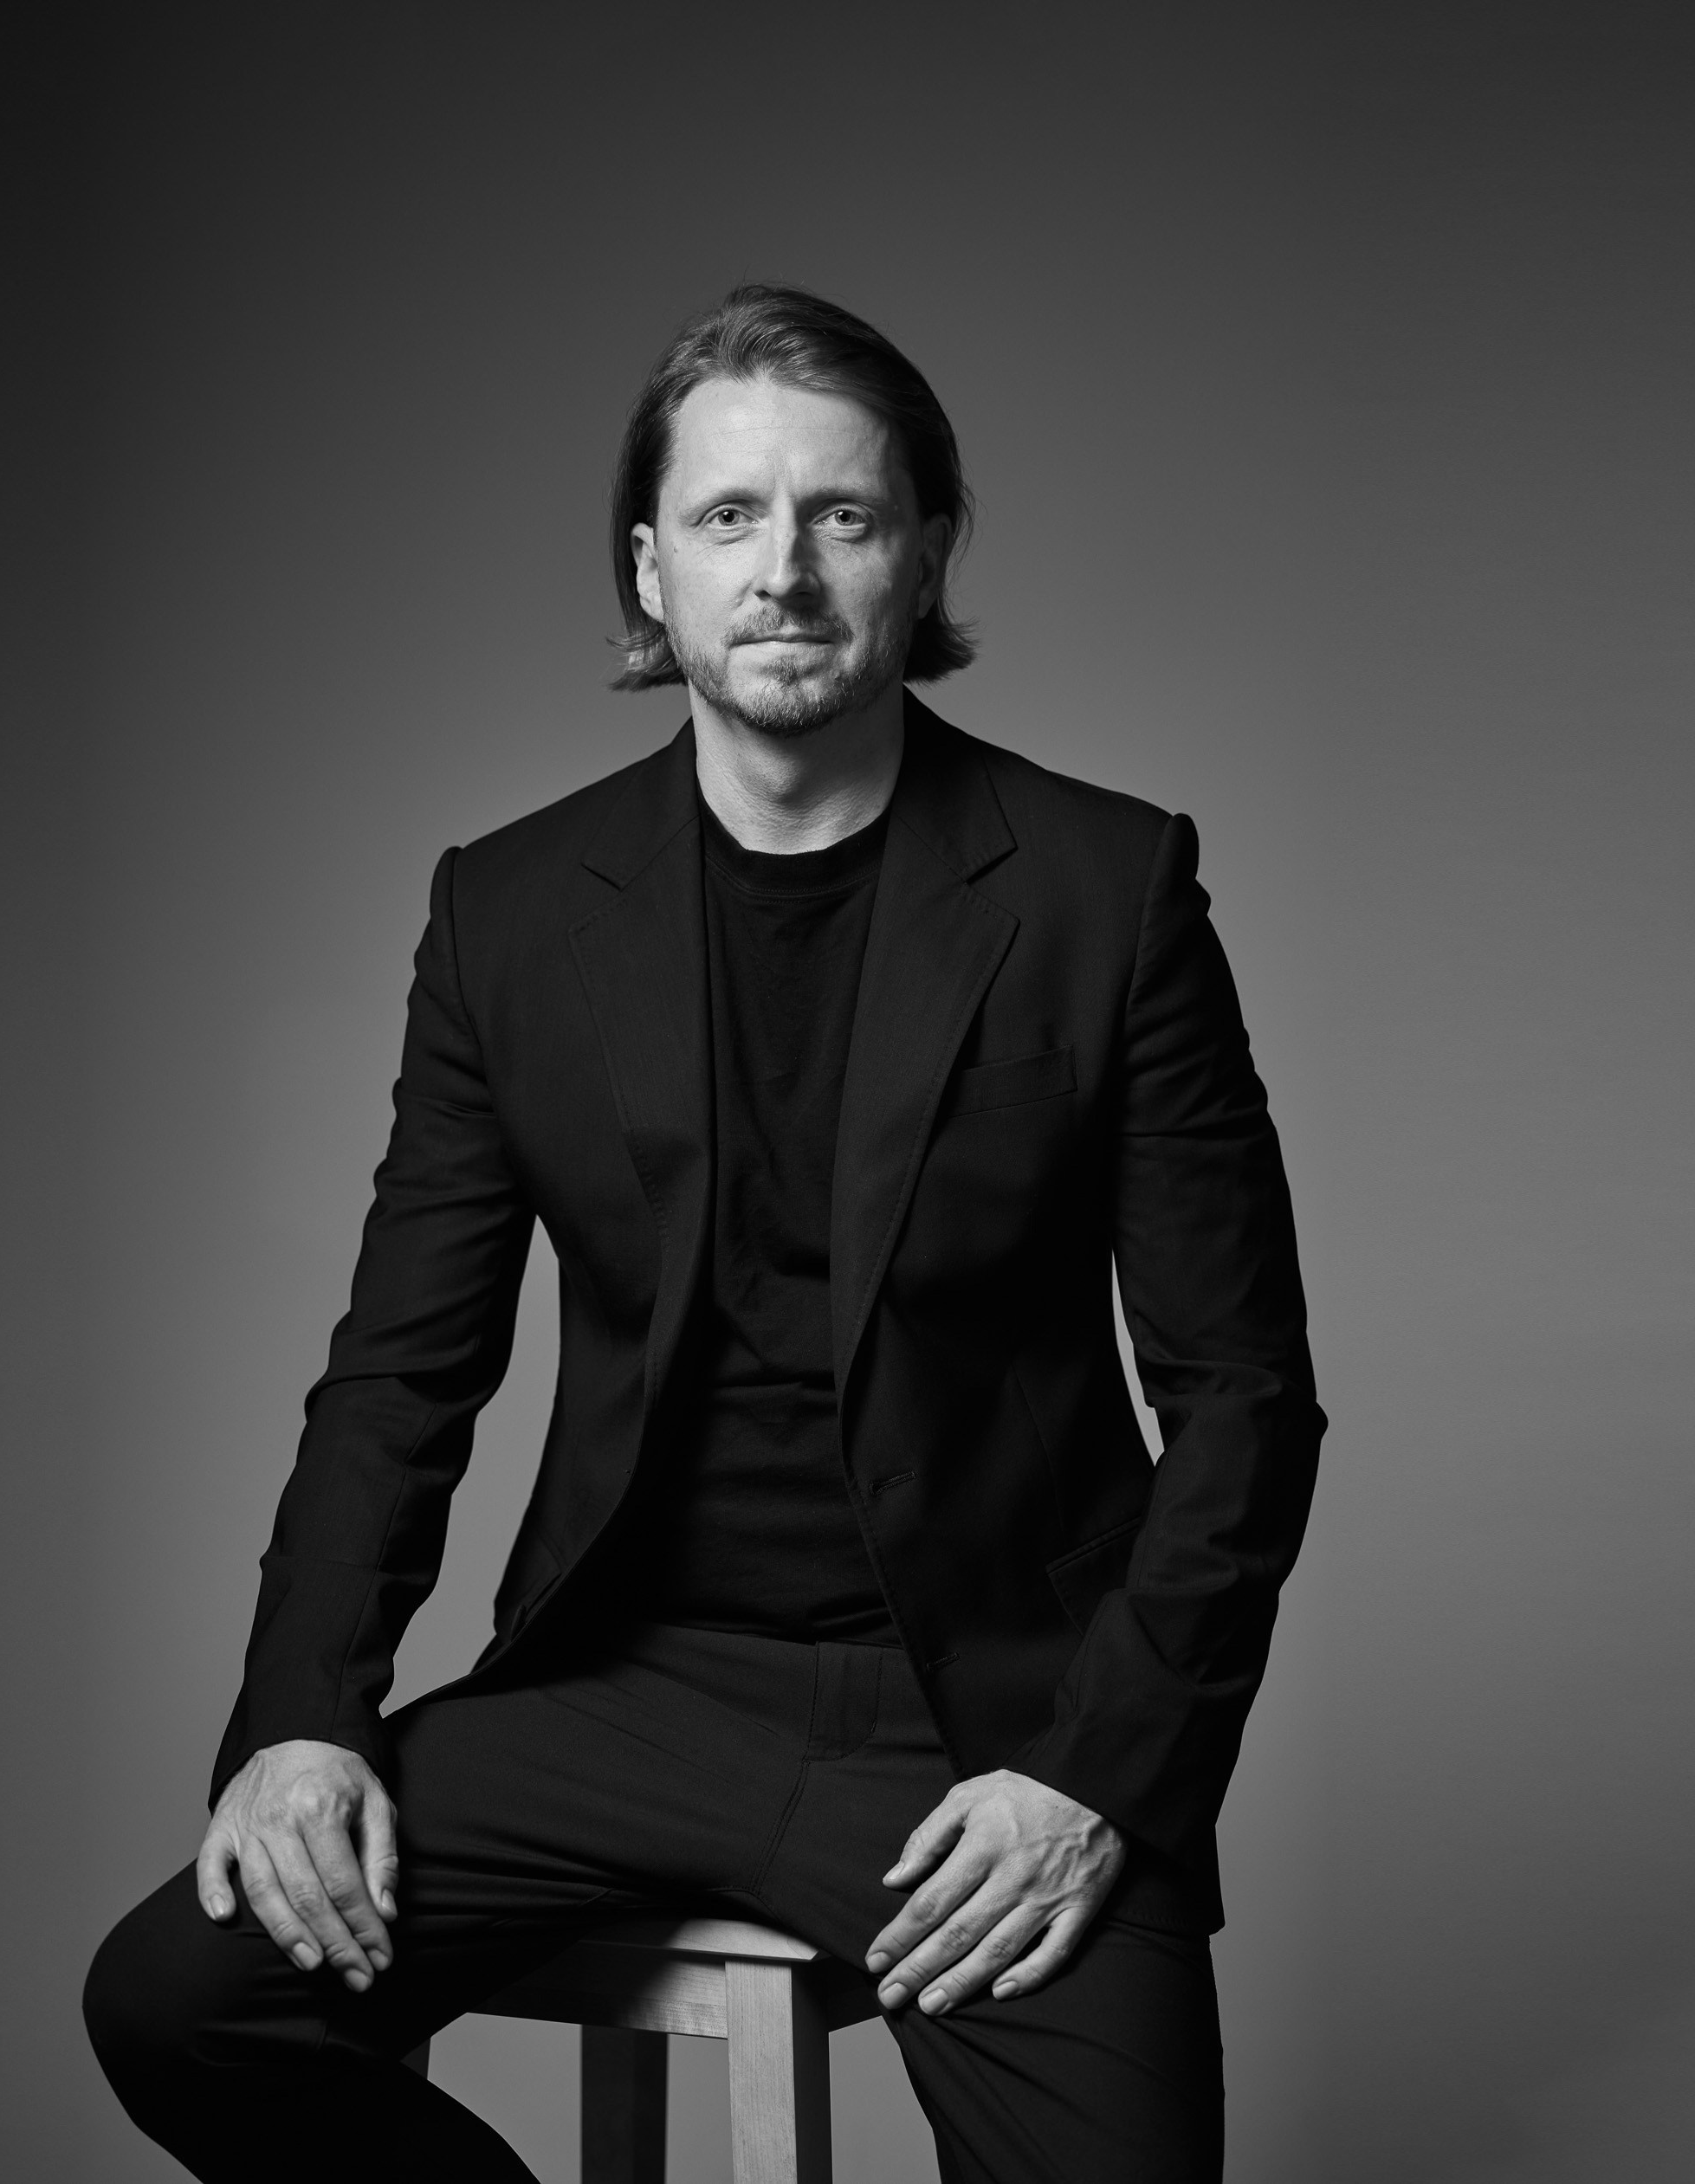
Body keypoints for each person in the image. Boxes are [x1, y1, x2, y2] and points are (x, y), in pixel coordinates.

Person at [85, 283, 1323, 2184]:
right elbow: (402, 1372)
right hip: (628, 1688)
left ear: (922, 557)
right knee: (183, 1998)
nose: (789, 574)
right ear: (649, 570)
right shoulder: (508, 912)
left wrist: (1093, 1774)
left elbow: (1243, 1399)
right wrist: (298, 1720)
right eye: (732, 517)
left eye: (845, 514)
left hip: (987, 1715)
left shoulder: (1104, 887)